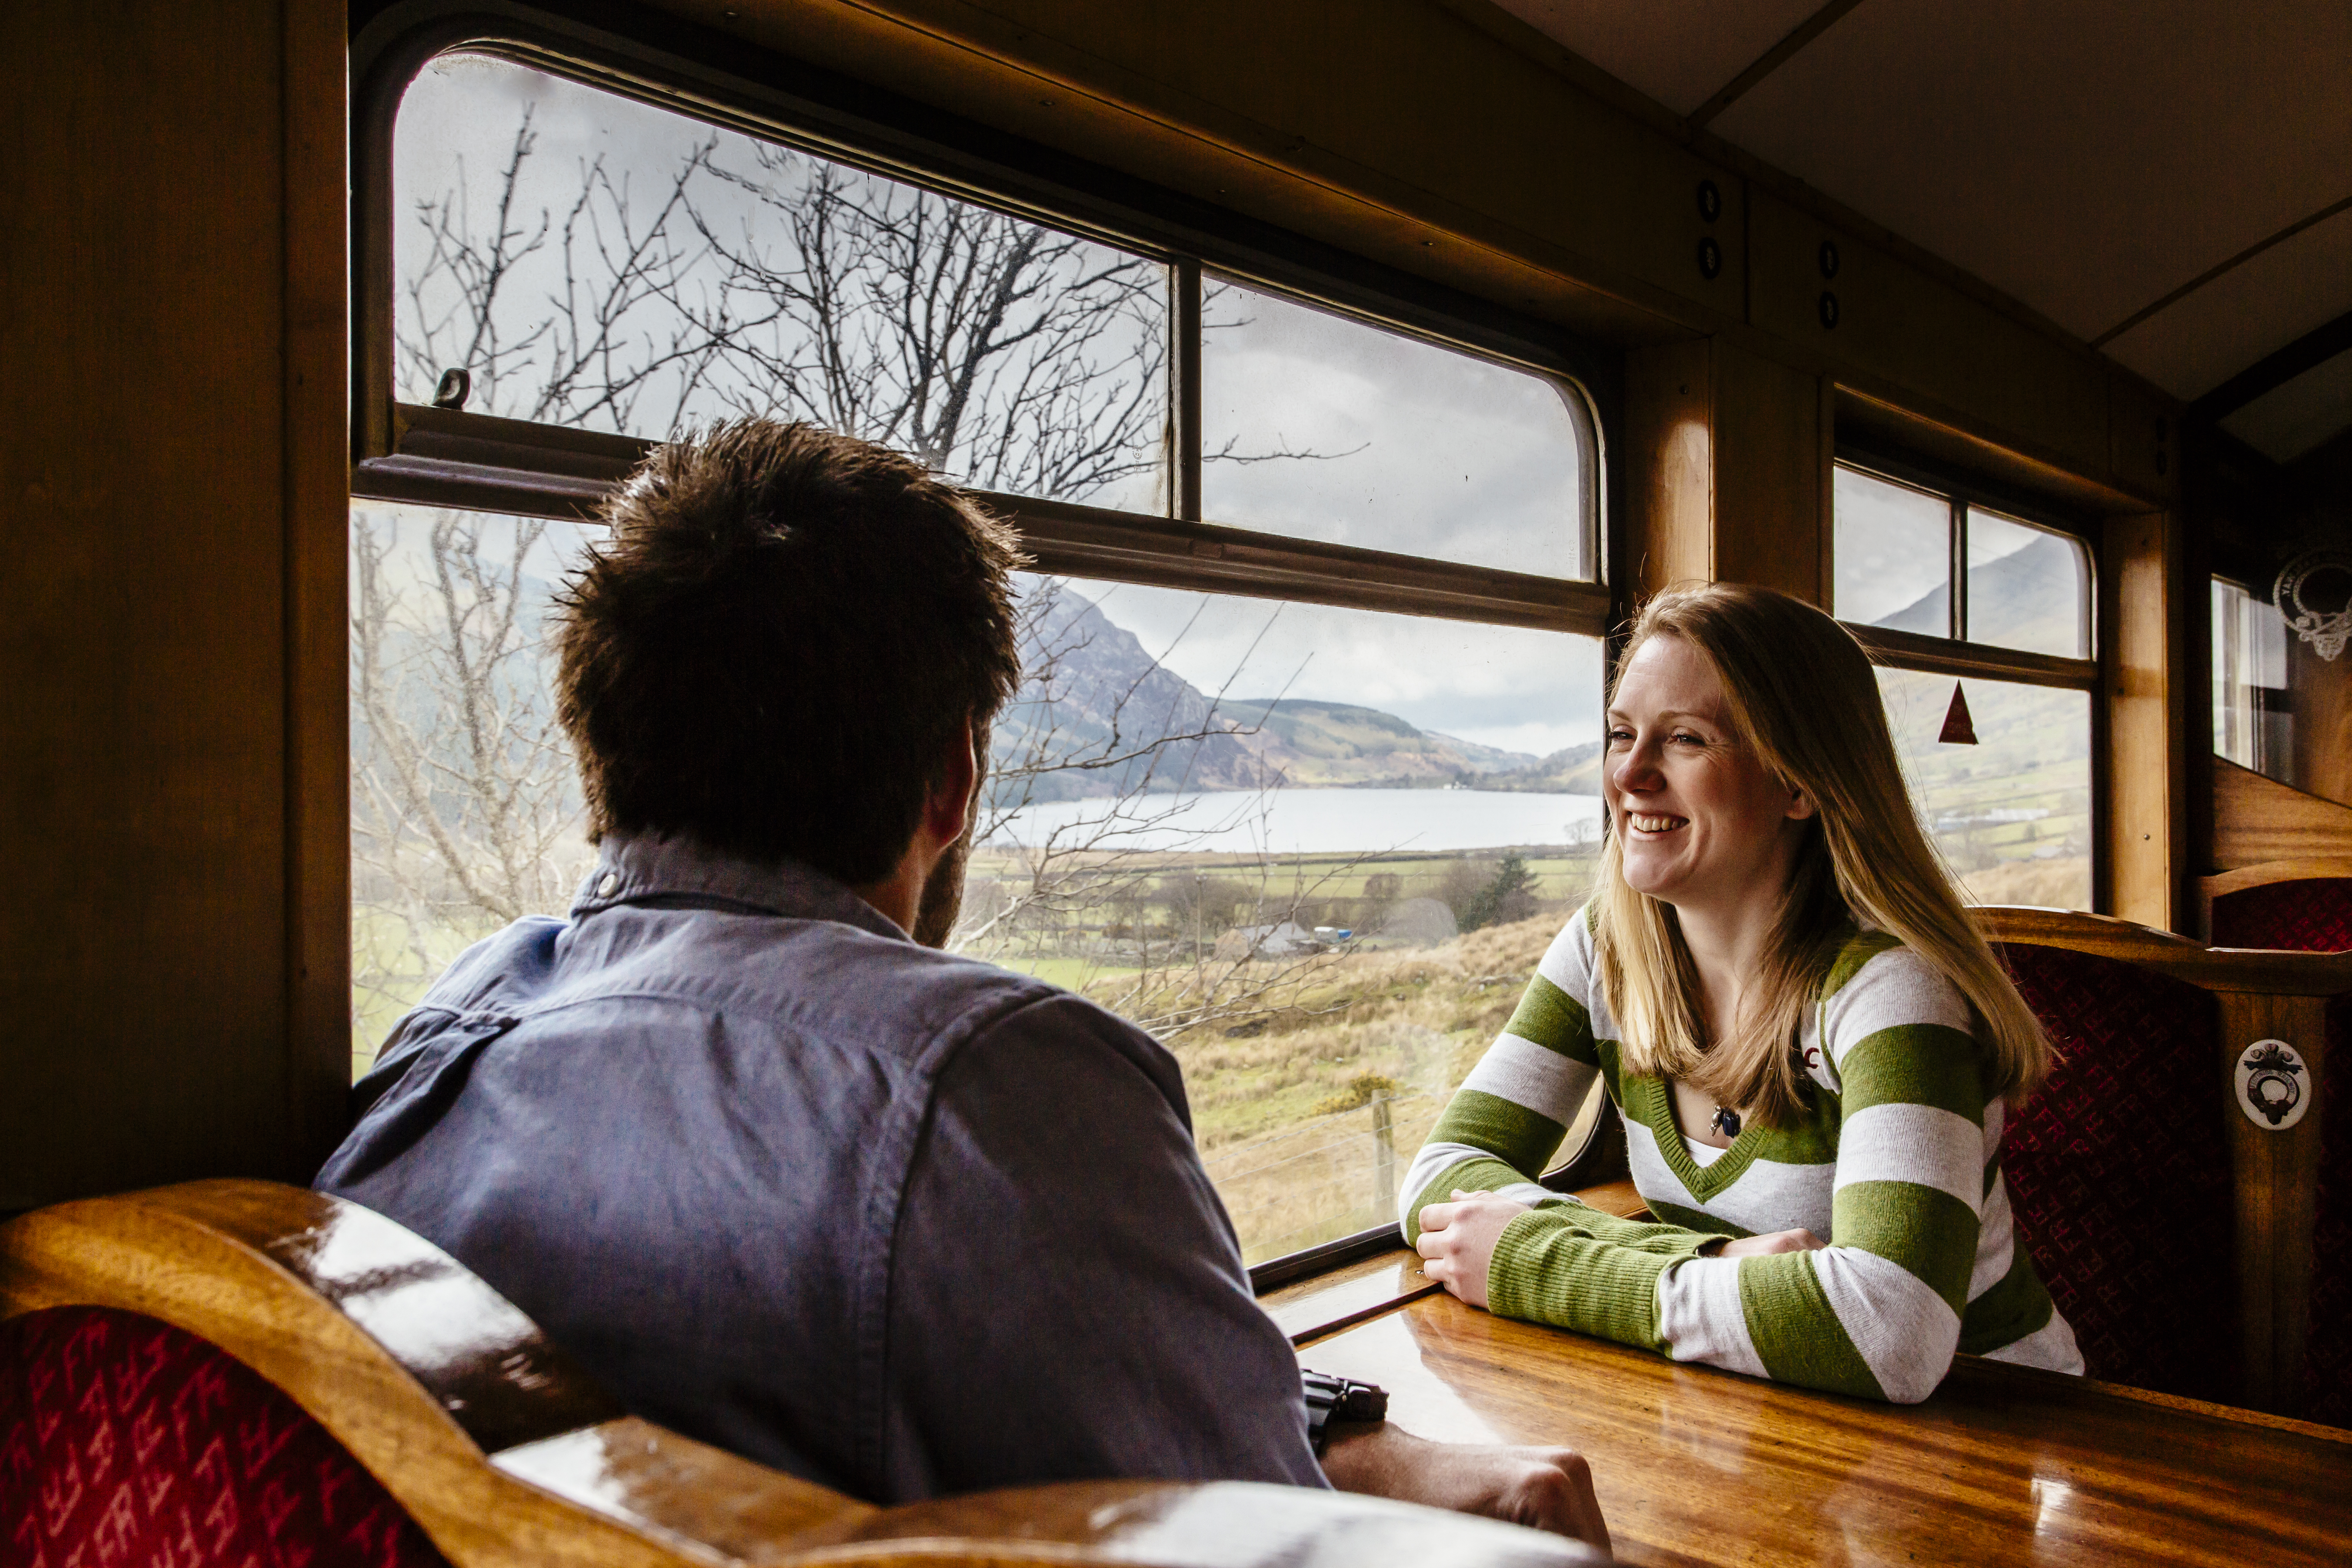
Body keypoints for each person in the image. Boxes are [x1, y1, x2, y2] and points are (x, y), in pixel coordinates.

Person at [316, 420, 1607, 1547]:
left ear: (602, 741)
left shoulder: (458, 1026)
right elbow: (1262, 1541)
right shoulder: (989, 1083)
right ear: (953, 778)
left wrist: (1326, 1425)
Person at [1406, 582, 2083, 1404]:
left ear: (1799, 782)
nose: (1629, 773)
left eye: (1685, 739)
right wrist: (1709, 1264)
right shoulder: (1606, 950)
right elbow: (1442, 1172)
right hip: (1768, 1406)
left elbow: (1892, 1335)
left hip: (1998, 1434)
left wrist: (1534, 1260)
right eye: (1622, 734)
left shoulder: (1894, 989)